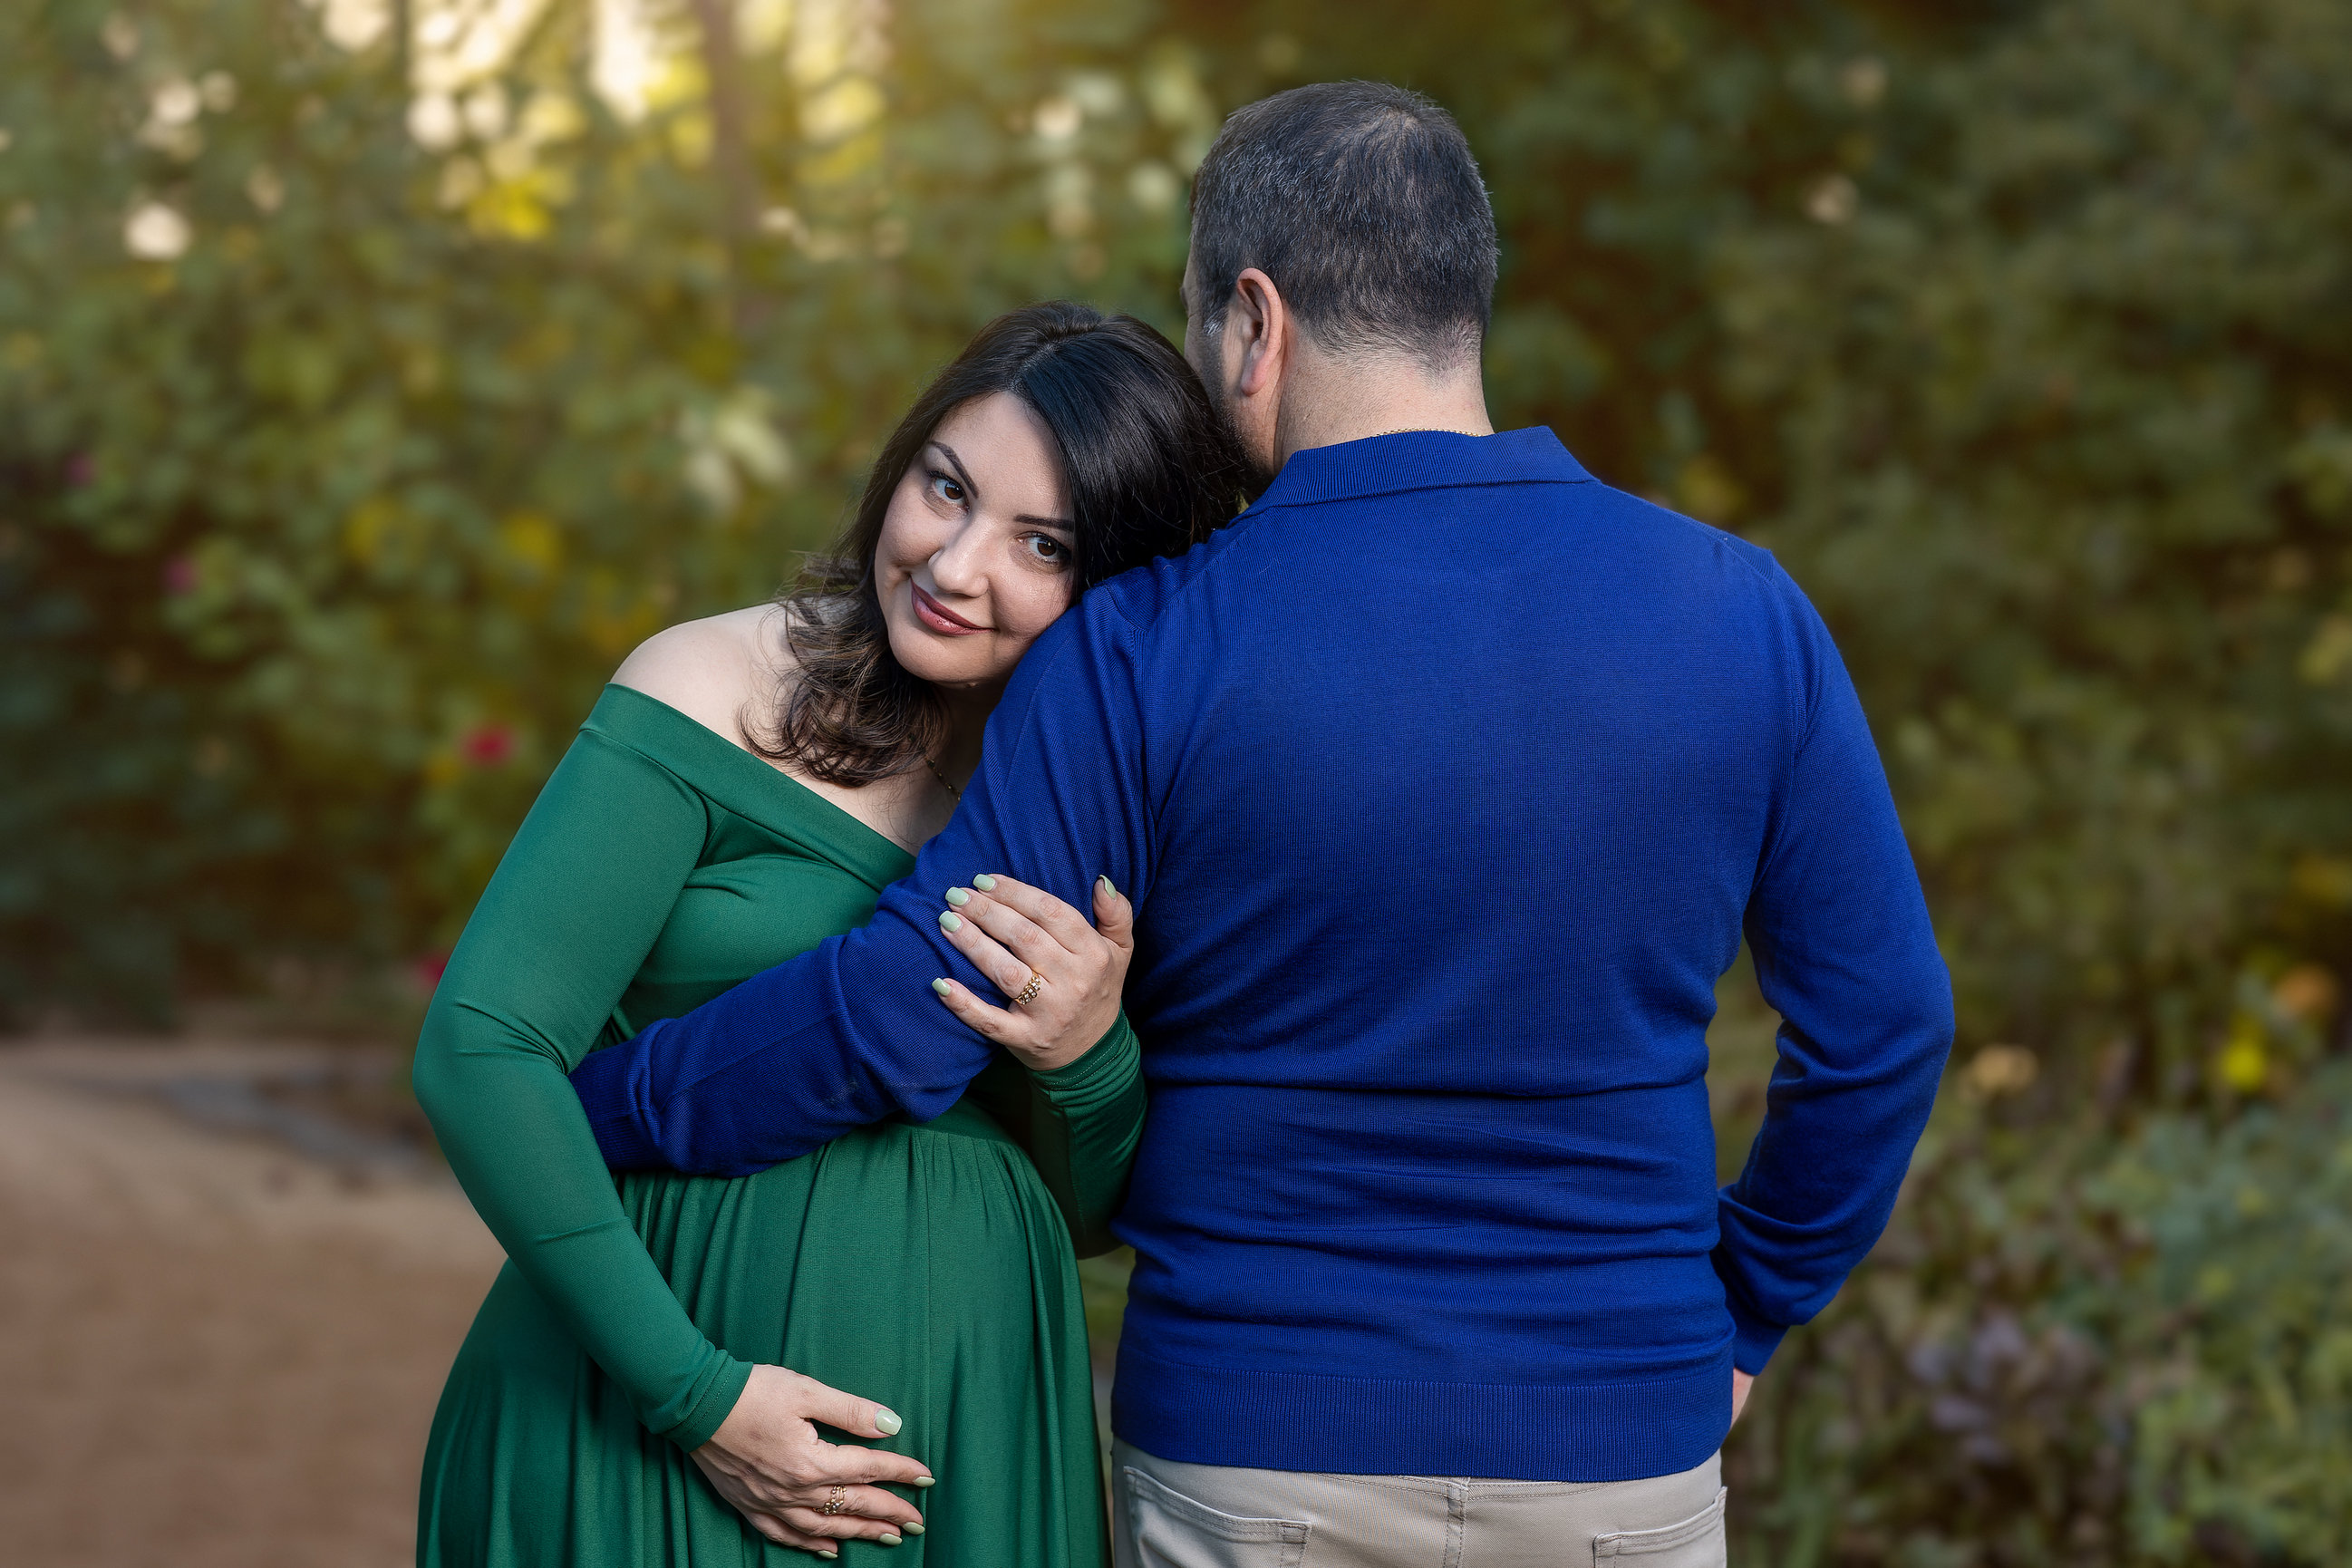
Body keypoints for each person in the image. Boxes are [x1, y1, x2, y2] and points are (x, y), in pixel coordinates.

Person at [569, 81, 1955, 1567]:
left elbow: (929, 994)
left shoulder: (1147, 644)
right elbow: (1881, 1027)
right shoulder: (1742, 614)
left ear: (1253, 319)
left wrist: (603, 1105)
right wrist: (1746, 1307)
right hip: (1615, 1443)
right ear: (1461, 302)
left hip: (1256, 1447)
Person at [411, 302, 1247, 1566]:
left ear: (1121, 580)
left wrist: (1085, 1053)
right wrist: (698, 1396)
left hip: (971, 1439)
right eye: (944, 488)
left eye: (1042, 542)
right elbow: (481, 1051)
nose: (957, 563)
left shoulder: (1098, 807)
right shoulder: (712, 687)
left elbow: (1093, 1212)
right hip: (651, 1416)